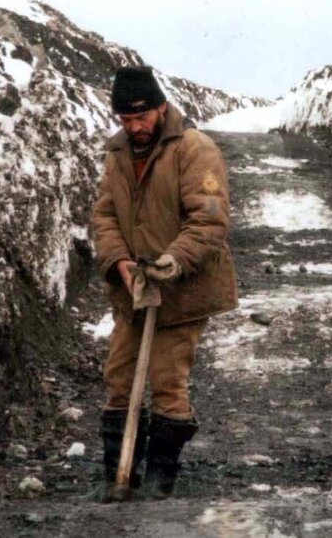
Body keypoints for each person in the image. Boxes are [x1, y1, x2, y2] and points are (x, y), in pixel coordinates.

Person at [91, 65, 238, 497]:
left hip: (183, 290)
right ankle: (117, 475)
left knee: (166, 378)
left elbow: (209, 219)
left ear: (160, 107)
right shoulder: (118, 153)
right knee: (119, 376)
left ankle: (159, 481)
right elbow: (104, 216)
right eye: (125, 120)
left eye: (141, 118)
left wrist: (174, 261)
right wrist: (118, 260)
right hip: (134, 289)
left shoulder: (194, 149)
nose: (134, 128)